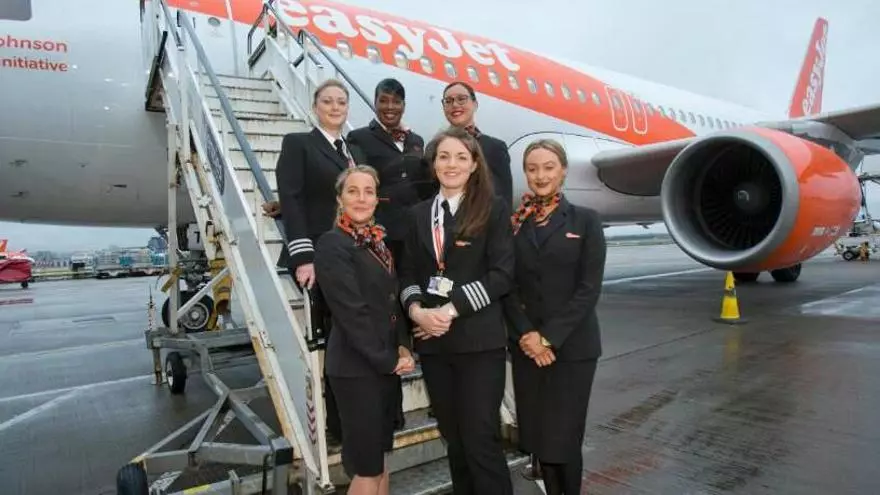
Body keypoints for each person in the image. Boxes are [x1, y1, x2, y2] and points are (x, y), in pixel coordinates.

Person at [399, 126, 515, 495]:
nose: (452, 164)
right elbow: (407, 273)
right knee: (454, 437)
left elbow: (502, 275)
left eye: (461, 157)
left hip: (479, 342)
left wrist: (449, 311)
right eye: (444, 157)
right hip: (434, 343)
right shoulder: (418, 214)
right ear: (433, 164)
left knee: (480, 437)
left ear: (474, 164)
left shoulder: (493, 208)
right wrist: (416, 312)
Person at [501, 139, 607, 495]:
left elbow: (588, 290)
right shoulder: (515, 224)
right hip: (528, 348)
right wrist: (527, 336)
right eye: (532, 169)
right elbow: (507, 287)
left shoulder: (586, 221)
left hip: (572, 349)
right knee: (538, 437)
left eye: (548, 167)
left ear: (563, 171)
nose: (541, 175)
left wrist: (548, 338)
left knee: (564, 439)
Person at [314, 165, 416, 495]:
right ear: (340, 199)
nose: (361, 198)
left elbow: (392, 301)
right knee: (367, 468)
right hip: (356, 369)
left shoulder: (377, 243)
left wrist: (402, 345)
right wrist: (388, 360)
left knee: (380, 462)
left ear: (376, 199)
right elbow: (352, 313)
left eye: (368, 191)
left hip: (382, 365)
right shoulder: (332, 244)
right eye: (353, 191)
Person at [275, 78, 366, 442]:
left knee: (357, 333)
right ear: (315, 107)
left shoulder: (354, 151)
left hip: (354, 254)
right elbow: (292, 198)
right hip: (319, 255)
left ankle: (360, 416)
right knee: (335, 341)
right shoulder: (299, 144)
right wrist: (303, 256)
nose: (335, 107)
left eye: (341, 102)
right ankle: (338, 425)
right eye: (327, 101)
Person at [347, 78, 435, 268]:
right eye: (384, 101)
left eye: (396, 102)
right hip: (380, 230)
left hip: (415, 231)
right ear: (375, 103)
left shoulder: (416, 140)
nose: (390, 107)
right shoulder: (358, 137)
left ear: (403, 106)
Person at [441, 81, 513, 205]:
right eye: (448, 101)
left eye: (461, 99)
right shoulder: (435, 147)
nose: (455, 104)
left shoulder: (495, 148)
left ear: (475, 104)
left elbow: (504, 199)